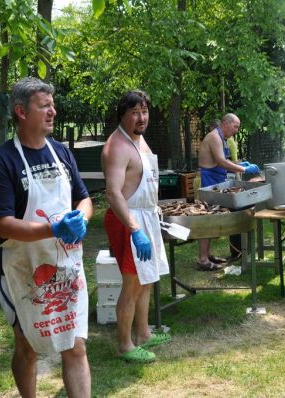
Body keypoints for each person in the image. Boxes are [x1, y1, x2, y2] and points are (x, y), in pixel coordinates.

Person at [0, 77, 92, 398]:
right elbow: (3, 225)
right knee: (28, 347)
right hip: (24, 270)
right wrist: (54, 229)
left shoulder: (61, 153)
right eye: (44, 106)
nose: (52, 112)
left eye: (52, 105)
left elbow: (83, 199)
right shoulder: (2, 162)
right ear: (20, 111)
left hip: (67, 267)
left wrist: (81, 218)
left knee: (75, 346)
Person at [102, 90, 171, 363]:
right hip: (128, 220)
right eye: (135, 112)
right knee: (131, 285)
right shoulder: (116, 146)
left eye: (144, 111)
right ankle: (125, 345)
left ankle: (143, 334)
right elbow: (113, 193)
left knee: (147, 280)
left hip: (146, 216)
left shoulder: (139, 140)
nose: (141, 117)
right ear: (122, 115)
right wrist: (134, 229)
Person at [196, 113, 260, 271]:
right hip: (209, 182)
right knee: (207, 221)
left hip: (218, 182)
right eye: (235, 126)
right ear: (225, 123)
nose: (237, 130)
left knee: (214, 220)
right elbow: (221, 162)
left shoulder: (222, 138)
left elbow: (223, 160)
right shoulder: (214, 137)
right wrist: (244, 168)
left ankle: (207, 255)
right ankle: (203, 260)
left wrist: (239, 163)